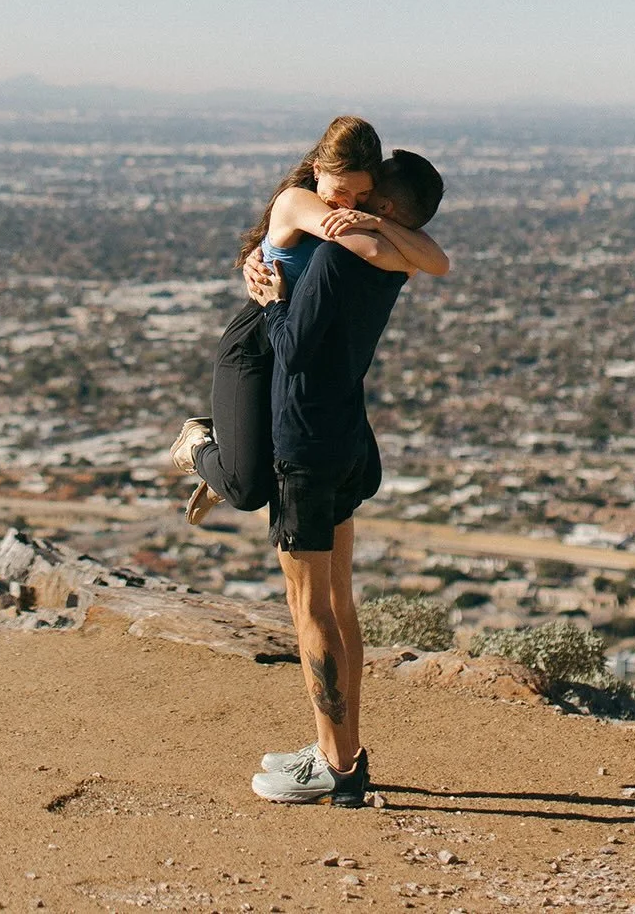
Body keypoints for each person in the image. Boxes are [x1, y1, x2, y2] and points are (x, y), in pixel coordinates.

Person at [246, 155, 445, 805]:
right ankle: (343, 751)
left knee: (309, 610)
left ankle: (336, 765)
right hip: (349, 438)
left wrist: (274, 301)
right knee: (338, 601)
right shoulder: (390, 261)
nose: (347, 201)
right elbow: (433, 257)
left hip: (305, 441)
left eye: (365, 193)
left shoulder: (337, 259)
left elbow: (295, 351)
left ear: (382, 207)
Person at [170, 118, 448, 525]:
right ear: (318, 171)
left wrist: (377, 221)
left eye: (362, 194)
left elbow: (437, 263)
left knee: (351, 472)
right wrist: (384, 234)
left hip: (302, 336)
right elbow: (377, 252)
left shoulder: (360, 216)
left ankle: (232, 449)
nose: (348, 205)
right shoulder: (296, 201)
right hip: (257, 342)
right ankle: (197, 444)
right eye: (340, 192)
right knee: (248, 490)